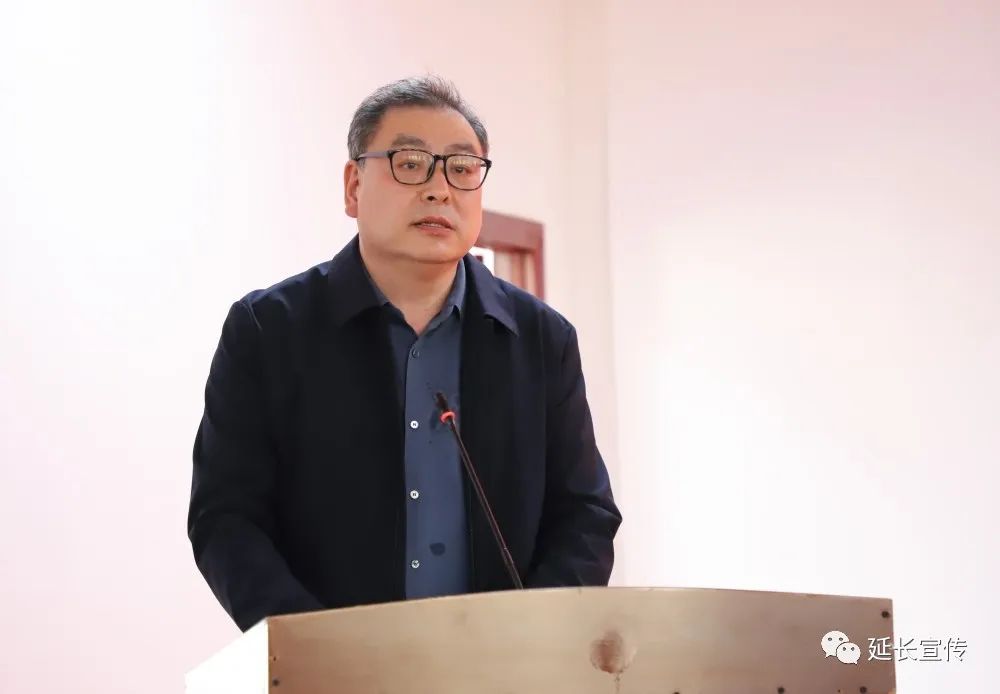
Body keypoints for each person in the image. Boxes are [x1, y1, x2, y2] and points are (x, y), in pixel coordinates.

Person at [187, 75, 622, 632]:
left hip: (504, 664)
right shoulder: (268, 330)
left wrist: (531, 640)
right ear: (353, 187)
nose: (440, 189)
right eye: (411, 163)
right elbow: (226, 519)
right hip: (327, 667)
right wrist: (316, 650)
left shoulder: (542, 338)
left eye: (462, 168)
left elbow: (585, 515)